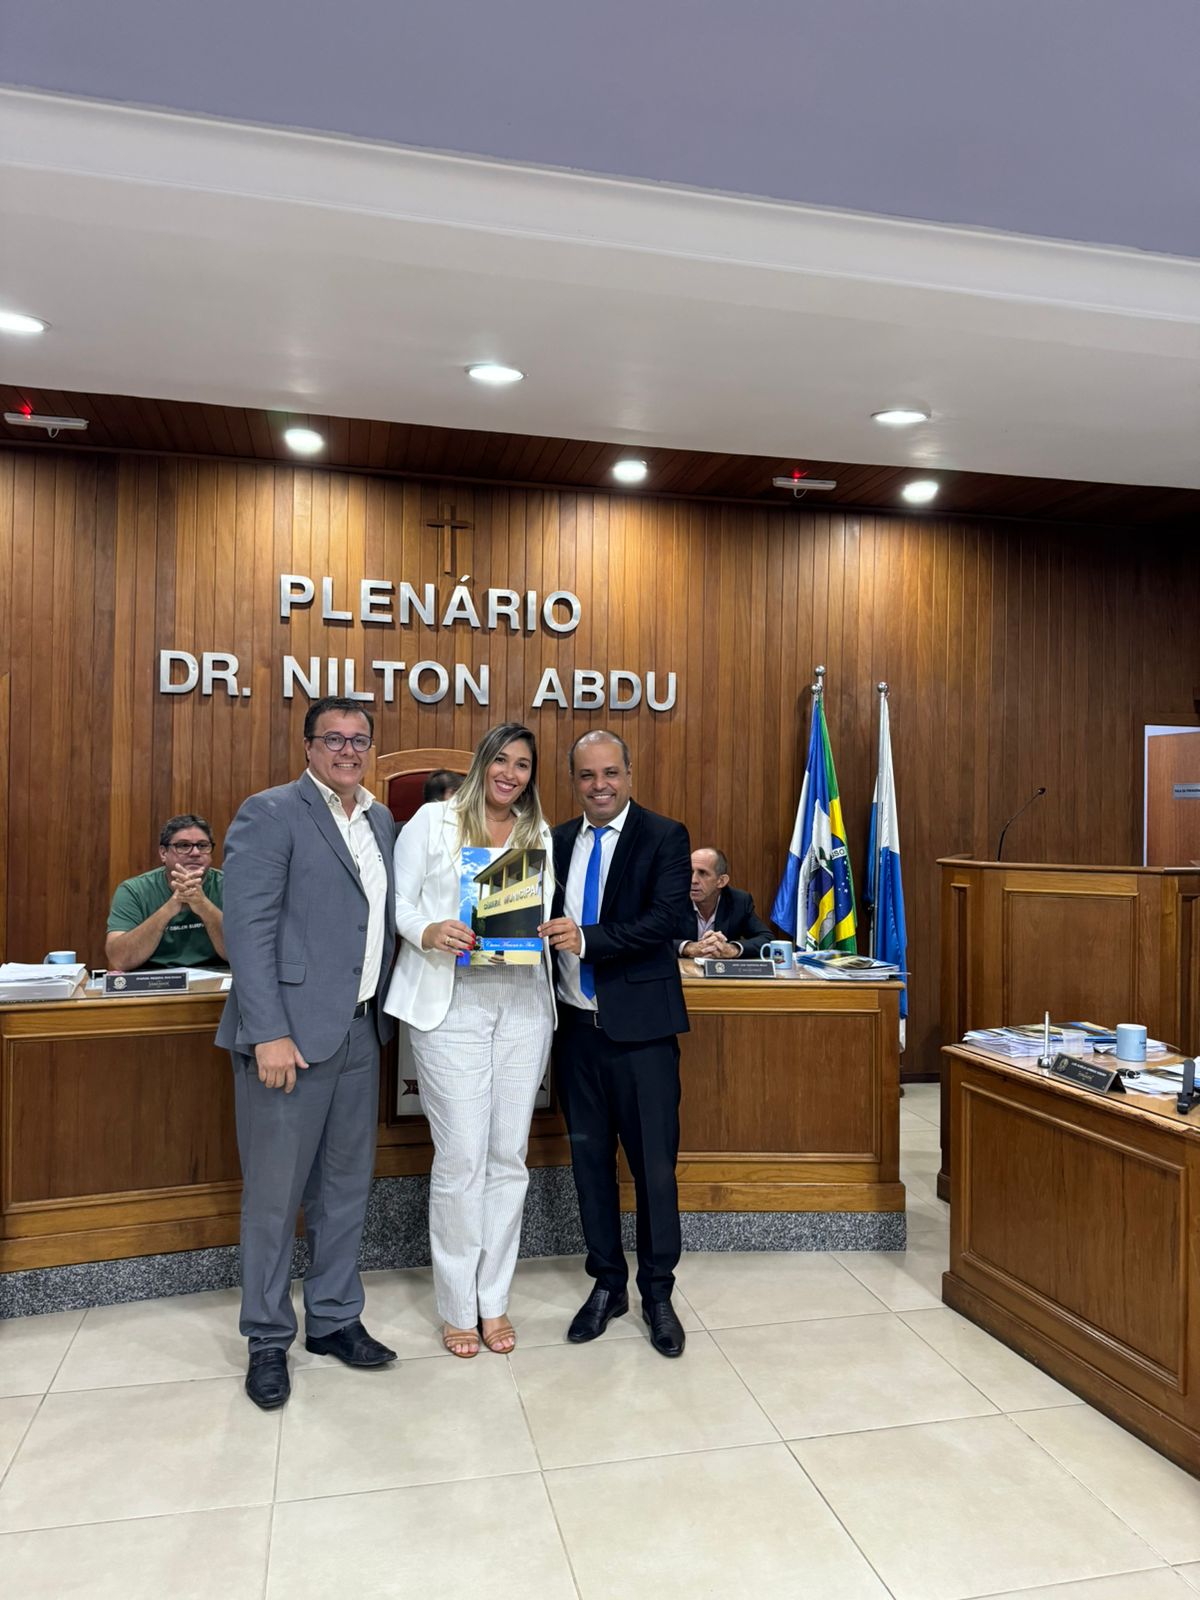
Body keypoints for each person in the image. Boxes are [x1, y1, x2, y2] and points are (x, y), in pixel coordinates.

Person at [216, 696, 398, 1410]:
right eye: (334, 739)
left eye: (359, 740)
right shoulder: (271, 812)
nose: (348, 750)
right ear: (309, 746)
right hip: (286, 1038)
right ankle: (267, 1337)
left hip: (359, 1033)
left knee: (346, 1189)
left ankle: (332, 1319)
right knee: (274, 1198)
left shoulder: (380, 819)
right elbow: (249, 929)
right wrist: (268, 1032)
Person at [385, 722, 555, 1358]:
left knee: (508, 1157)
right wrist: (429, 932)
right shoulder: (431, 821)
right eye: (502, 761)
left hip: (522, 1006)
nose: (511, 774)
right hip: (448, 1004)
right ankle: (458, 1307)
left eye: (523, 765)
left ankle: (495, 1301)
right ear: (483, 763)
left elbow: (542, 911)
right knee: (461, 1160)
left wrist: (550, 929)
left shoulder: (538, 833)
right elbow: (399, 905)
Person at [540, 730, 692, 1358]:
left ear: (628, 773)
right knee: (590, 1167)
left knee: (654, 1170)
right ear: (572, 781)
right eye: (585, 776)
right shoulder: (556, 842)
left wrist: (589, 939)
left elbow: (669, 919)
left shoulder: (665, 835)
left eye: (609, 773)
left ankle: (658, 1291)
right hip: (575, 1035)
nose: (598, 786)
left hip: (644, 1038)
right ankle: (607, 1285)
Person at [105, 814, 226, 970]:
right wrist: (171, 907)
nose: (195, 852)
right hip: (154, 982)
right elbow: (120, 960)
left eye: (202, 845)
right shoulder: (133, 890)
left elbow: (244, 953)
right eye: (183, 845)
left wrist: (204, 906)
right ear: (163, 853)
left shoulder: (230, 886)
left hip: (220, 982)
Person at [678, 847, 777, 960]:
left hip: (722, 974)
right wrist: (688, 947)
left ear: (721, 881)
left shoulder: (739, 901)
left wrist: (732, 949)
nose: (693, 880)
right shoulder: (673, 899)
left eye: (703, 873)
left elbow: (768, 939)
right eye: (689, 872)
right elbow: (654, 939)